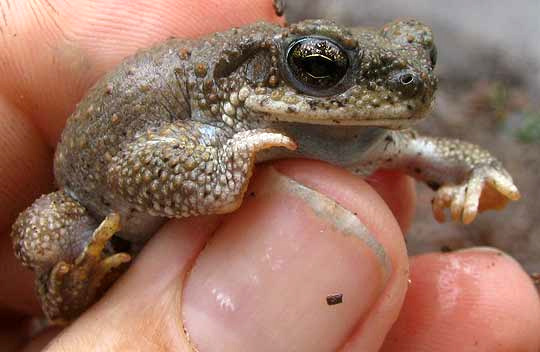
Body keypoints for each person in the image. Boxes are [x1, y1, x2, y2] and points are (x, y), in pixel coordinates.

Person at [1, 1, 538, 351]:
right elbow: (129, 166)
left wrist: (479, 171)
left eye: (423, 60)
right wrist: (221, 163)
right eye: (322, 68)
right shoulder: (218, 117)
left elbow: (439, 153)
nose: (412, 83)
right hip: (98, 210)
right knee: (46, 232)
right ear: (261, 77)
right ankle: (72, 292)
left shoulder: (369, 133)